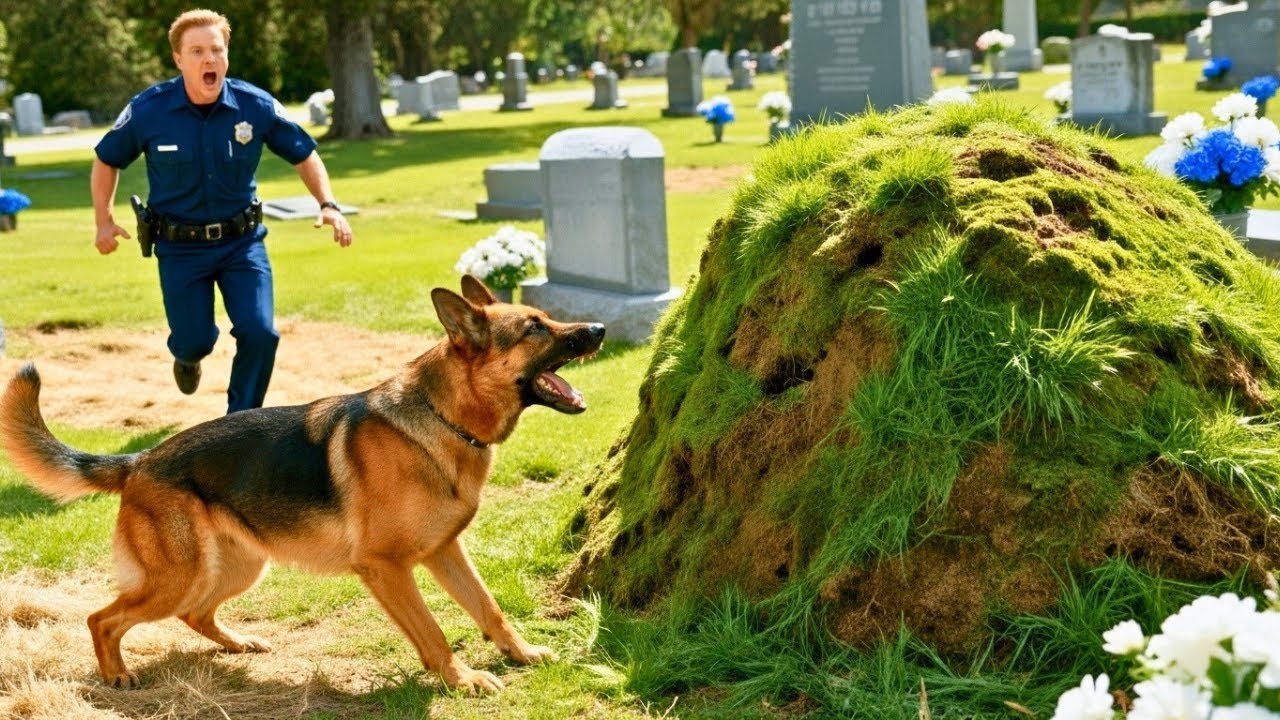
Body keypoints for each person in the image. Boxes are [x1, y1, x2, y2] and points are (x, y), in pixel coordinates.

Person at [90, 8, 353, 414]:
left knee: (261, 332)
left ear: (227, 53)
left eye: (217, 49)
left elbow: (305, 153)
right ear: (178, 59)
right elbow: (107, 160)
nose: (209, 59)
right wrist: (103, 221)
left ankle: (238, 424)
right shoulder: (149, 110)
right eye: (197, 51)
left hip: (242, 244)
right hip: (180, 250)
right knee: (195, 339)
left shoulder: (255, 105)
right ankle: (187, 357)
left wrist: (328, 204)